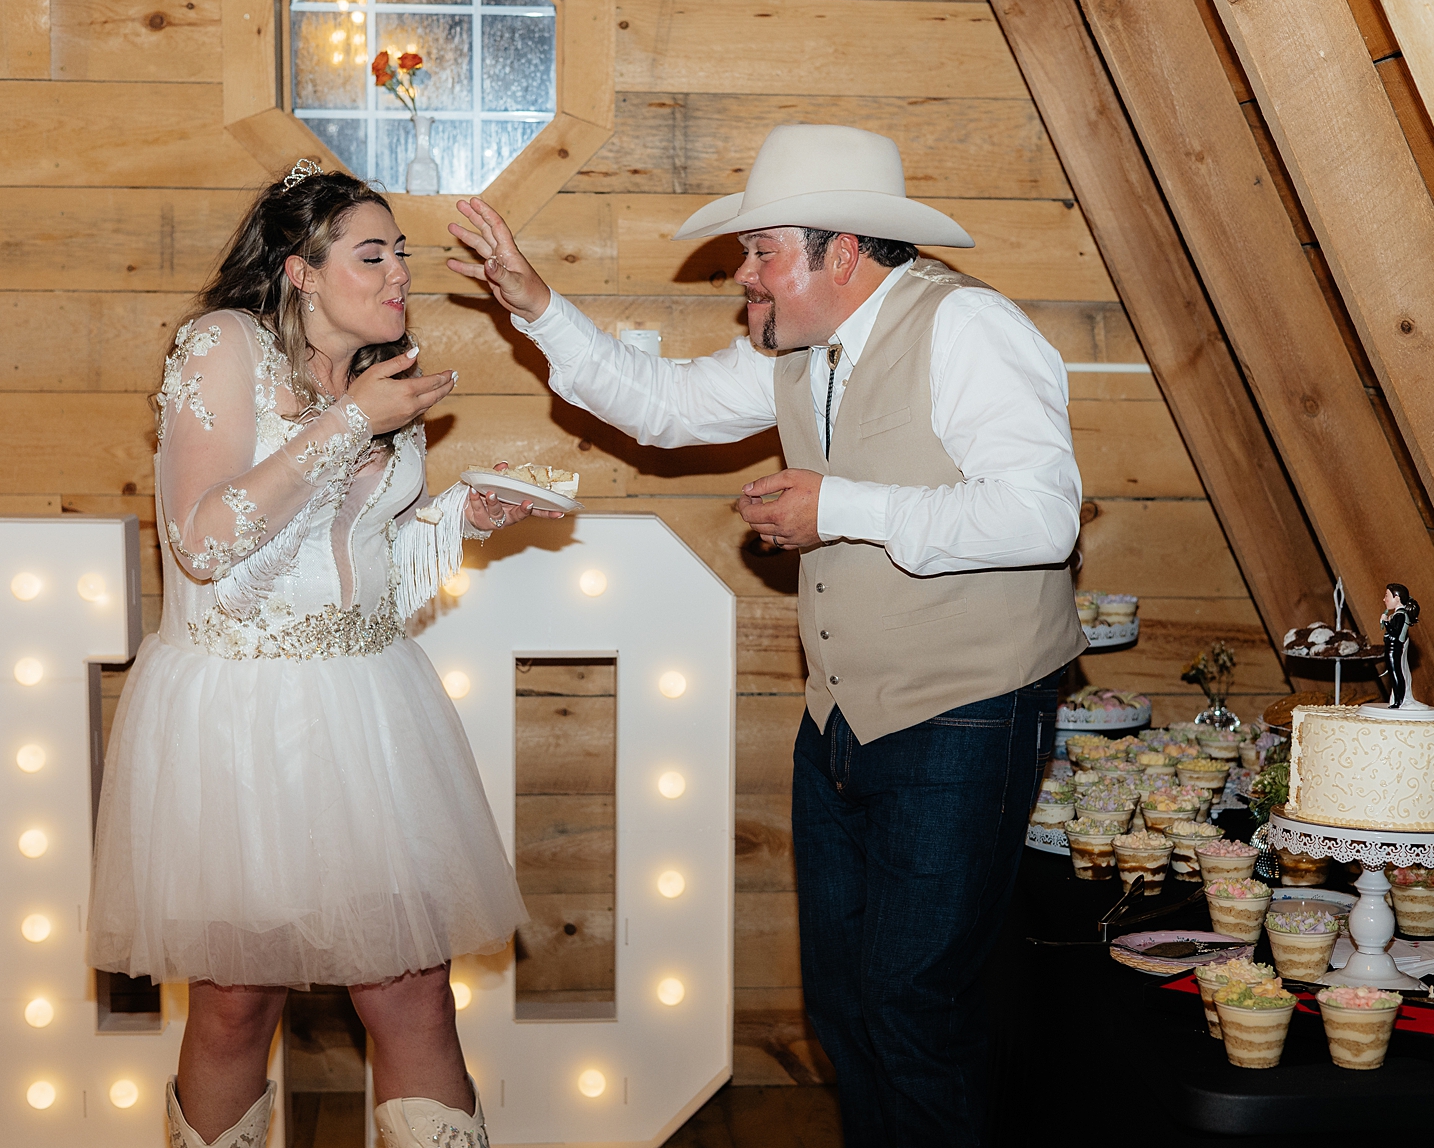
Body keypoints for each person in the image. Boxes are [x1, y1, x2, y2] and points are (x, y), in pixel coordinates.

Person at [446, 124, 1088, 1147]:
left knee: (917, 1011)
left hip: (963, 718)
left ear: (842, 252)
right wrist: (537, 307)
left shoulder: (966, 328)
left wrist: (838, 508)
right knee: (845, 1010)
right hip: (837, 718)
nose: (746, 275)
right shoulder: (797, 348)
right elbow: (660, 406)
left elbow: (1039, 516)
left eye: (763, 252)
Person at [87, 160, 554, 1148]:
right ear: (299, 268)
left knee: (419, 998)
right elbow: (204, 542)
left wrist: (458, 516)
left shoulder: (381, 376)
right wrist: (349, 423)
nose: (400, 277)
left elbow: (357, 563)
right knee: (231, 1007)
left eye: (402, 257)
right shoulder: (223, 346)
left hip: (368, 709)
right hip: (237, 717)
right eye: (373, 255)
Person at [1381, 582, 1421, 708]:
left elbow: (1394, 632)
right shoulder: (1398, 614)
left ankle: (1399, 701)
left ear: (1397, 599)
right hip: (1392, 647)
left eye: (1387, 596)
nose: (1384, 599)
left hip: (1395, 648)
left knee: (1396, 673)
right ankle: (1397, 699)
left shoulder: (1400, 615)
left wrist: (1385, 621)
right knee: (1395, 673)